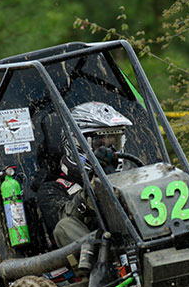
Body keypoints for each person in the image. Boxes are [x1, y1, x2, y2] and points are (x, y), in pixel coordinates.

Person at [37, 102, 132, 247]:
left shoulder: (130, 175)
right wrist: (94, 186)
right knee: (65, 226)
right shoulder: (51, 190)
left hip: (134, 242)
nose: (108, 151)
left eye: (114, 143)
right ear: (75, 142)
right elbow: (65, 219)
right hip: (99, 256)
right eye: (99, 144)